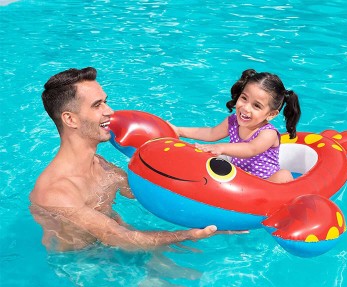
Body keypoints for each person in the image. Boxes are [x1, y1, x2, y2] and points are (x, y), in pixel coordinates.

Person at [29, 67, 223, 252]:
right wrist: (189, 235)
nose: (110, 111)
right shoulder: (56, 192)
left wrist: (218, 210)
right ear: (70, 119)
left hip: (116, 242)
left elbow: (144, 192)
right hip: (81, 262)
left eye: (105, 102)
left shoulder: (100, 164)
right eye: (97, 105)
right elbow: (120, 239)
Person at [170, 69, 301, 183]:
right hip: (239, 181)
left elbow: (251, 149)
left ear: (271, 114)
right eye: (244, 98)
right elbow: (211, 133)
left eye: (256, 106)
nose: (245, 108)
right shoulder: (233, 122)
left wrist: (220, 147)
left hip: (266, 183)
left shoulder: (268, 133)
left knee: (283, 175)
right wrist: (179, 131)